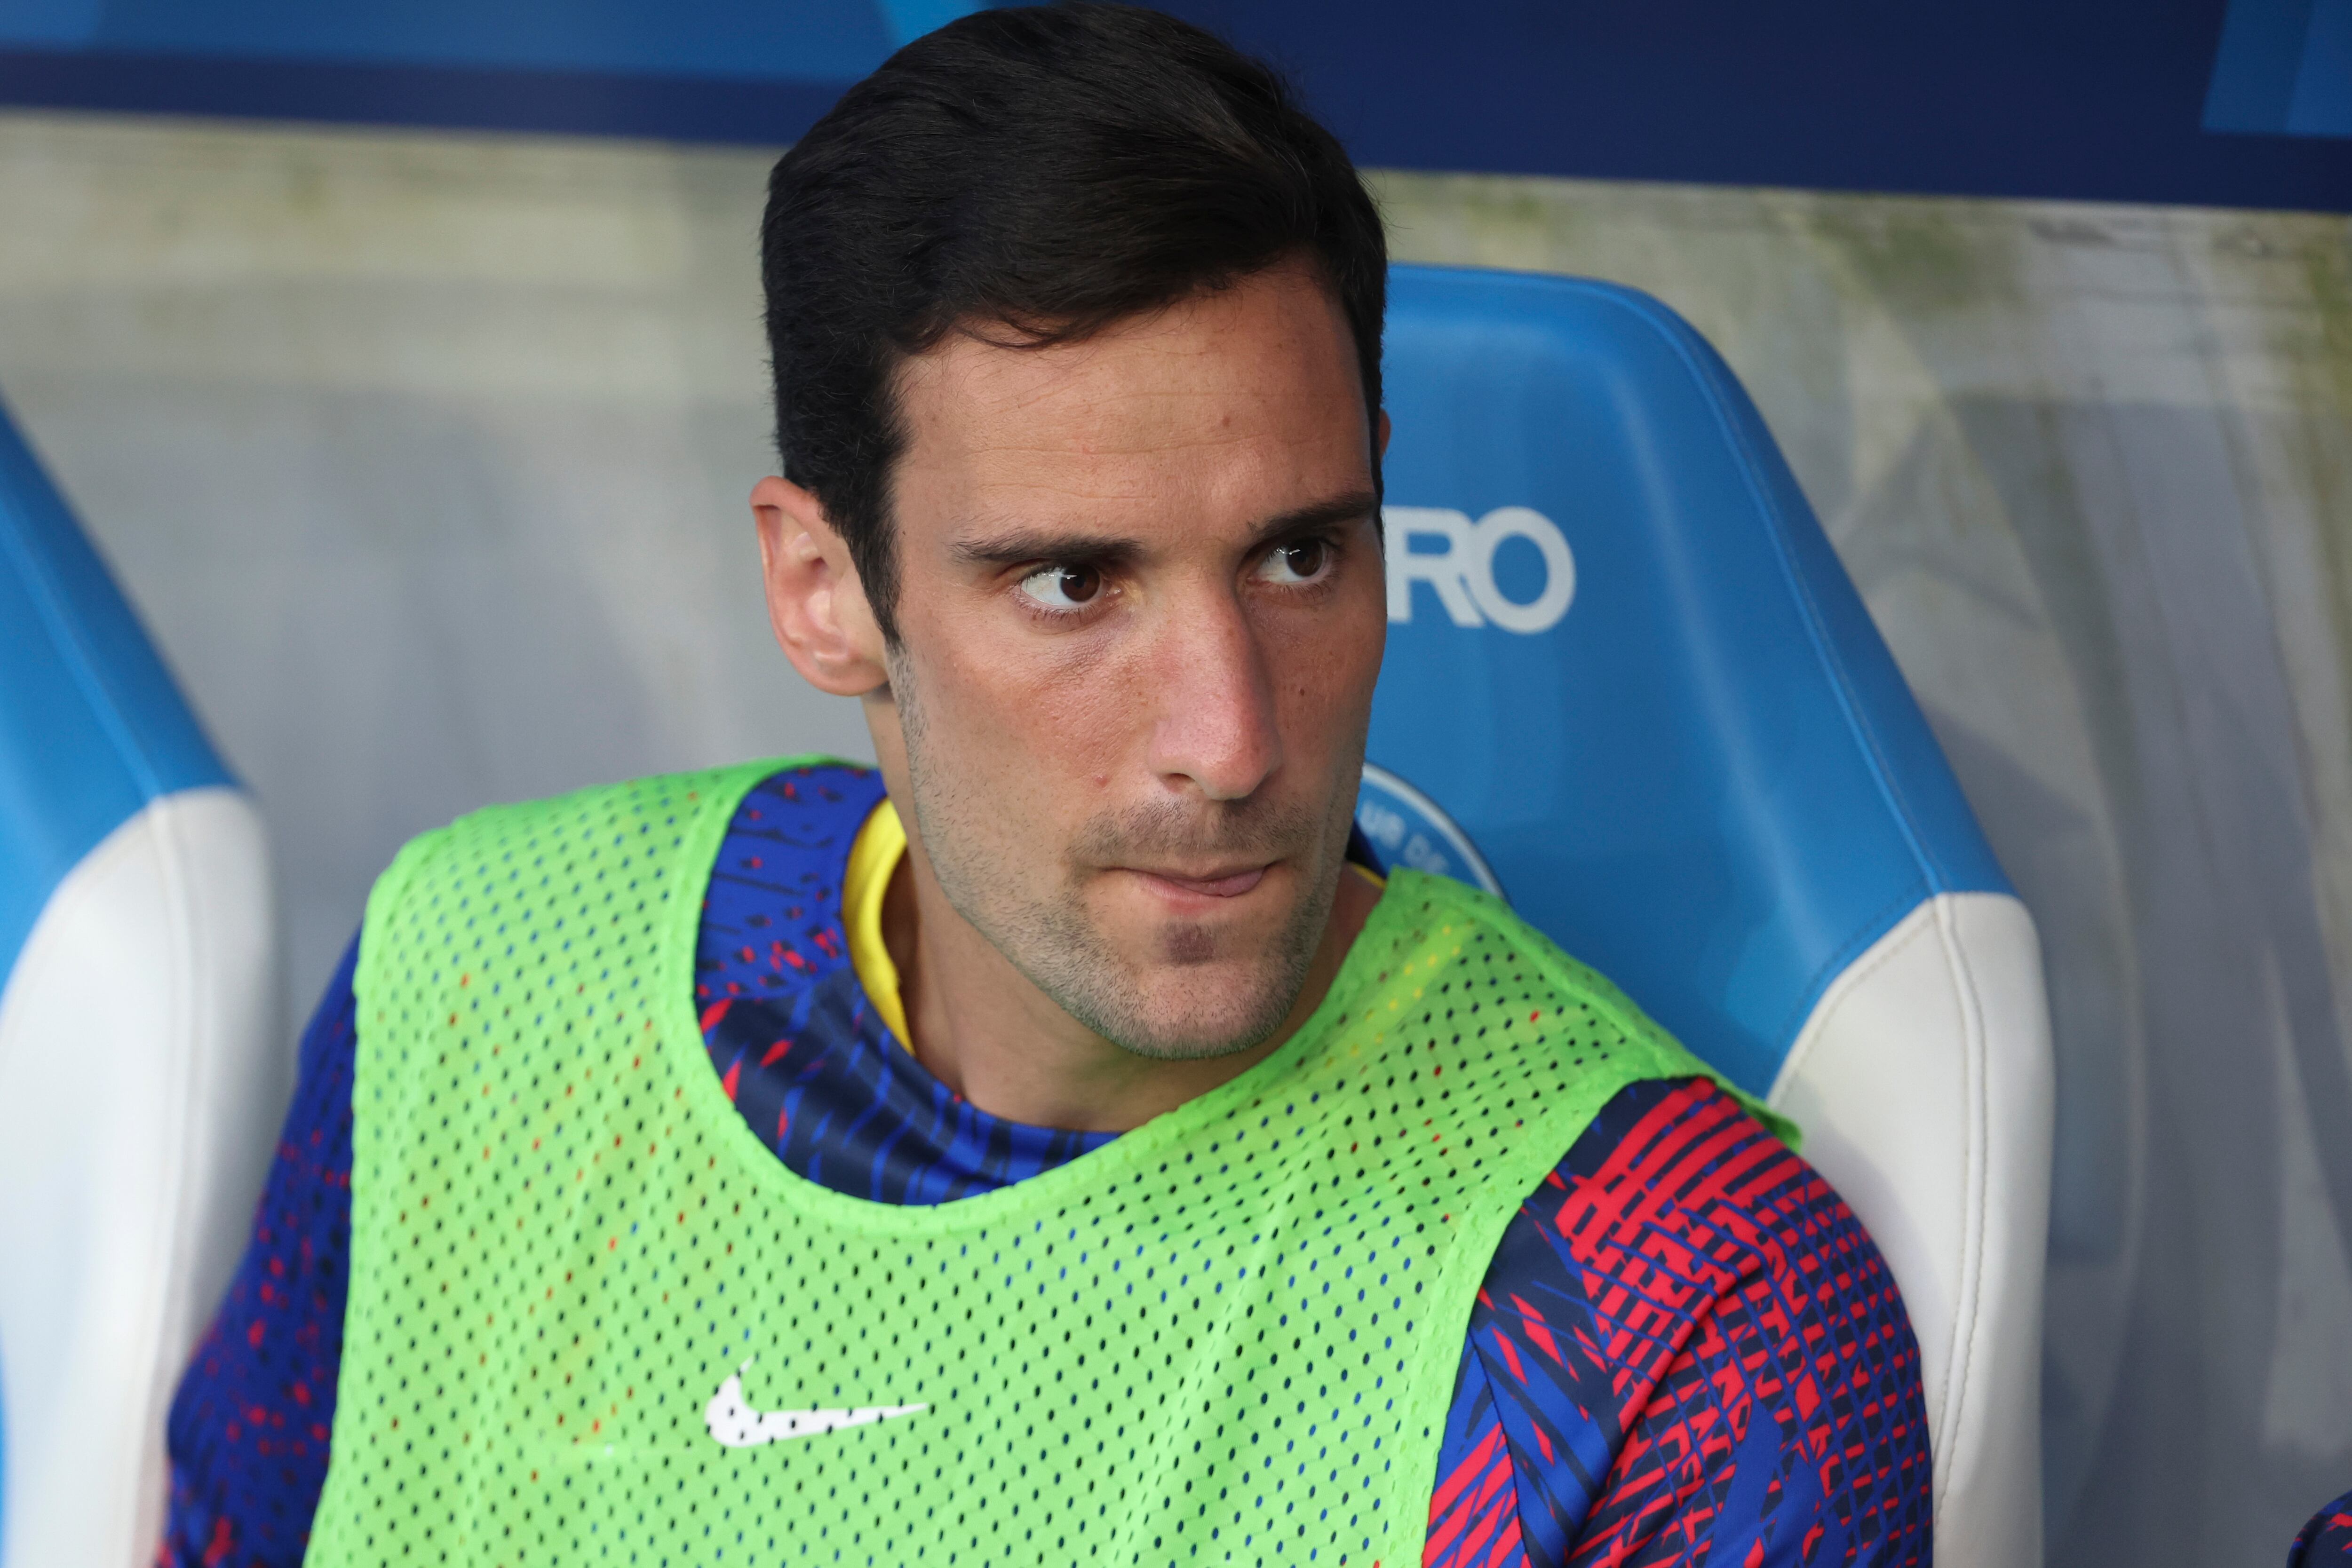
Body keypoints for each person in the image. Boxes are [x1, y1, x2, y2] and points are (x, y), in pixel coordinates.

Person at [158, 8, 1932, 1564]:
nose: (1230, 742)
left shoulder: (1680, 1306)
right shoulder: (479, 981)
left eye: (1301, 558)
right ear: (825, 589)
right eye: (1076, 586)